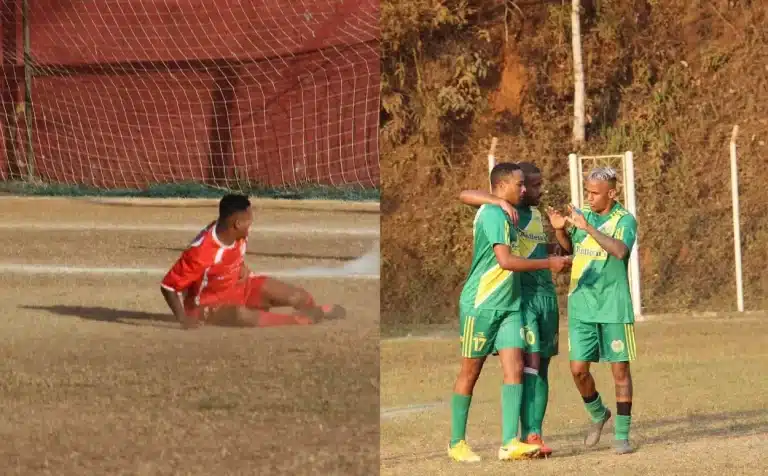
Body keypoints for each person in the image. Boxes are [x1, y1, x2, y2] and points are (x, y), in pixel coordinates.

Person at [448, 162, 571, 463]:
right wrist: (548, 264)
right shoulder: (492, 214)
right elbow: (505, 261)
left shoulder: (516, 214)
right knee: (471, 371)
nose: (525, 189)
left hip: (511, 305)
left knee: (515, 368)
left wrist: (557, 245)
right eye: (520, 184)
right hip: (482, 303)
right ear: (503, 187)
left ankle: (509, 443)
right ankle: (456, 442)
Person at [546, 167, 637, 455]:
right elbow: (569, 247)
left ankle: (621, 435)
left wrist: (588, 228)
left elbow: (620, 251)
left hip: (613, 306)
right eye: (587, 192)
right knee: (578, 370)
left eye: (595, 193)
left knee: (620, 371)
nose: (589, 197)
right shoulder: (583, 216)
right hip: (581, 304)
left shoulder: (624, 220)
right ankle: (598, 413)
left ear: (612, 193)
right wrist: (560, 229)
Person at [160, 193, 345, 329]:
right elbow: (168, 286)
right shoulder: (201, 252)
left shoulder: (236, 233)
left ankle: (315, 311)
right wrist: (183, 319)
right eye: (249, 220)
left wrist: (240, 268)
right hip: (207, 306)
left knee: (298, 296)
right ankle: (296, 320)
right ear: (237, 224)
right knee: (241, 315)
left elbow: (229, 256)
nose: (251, 224)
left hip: (241, 287)